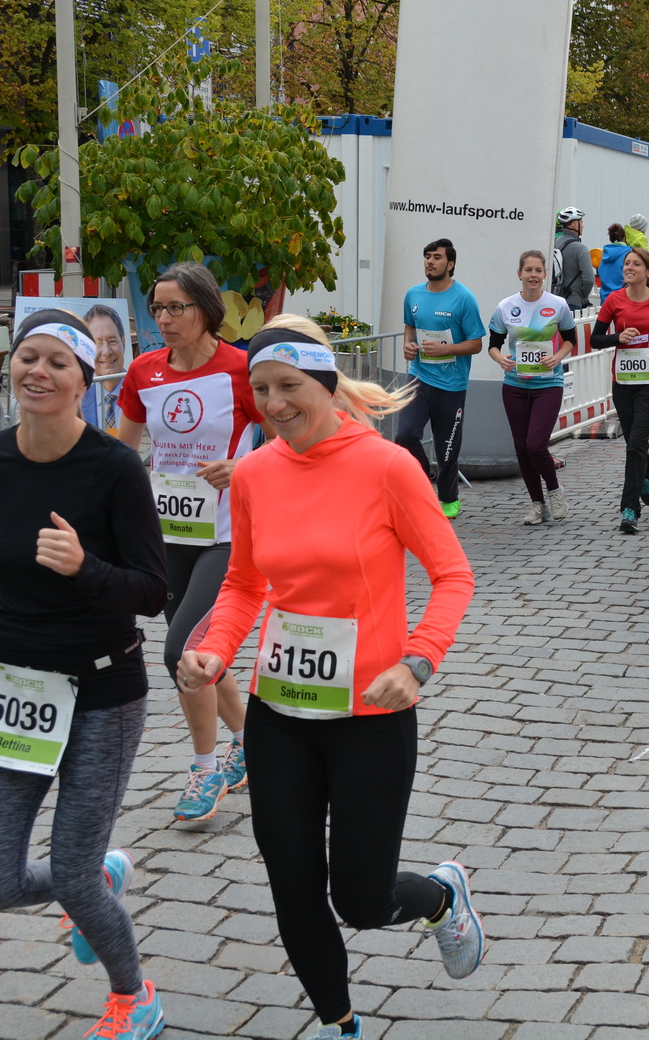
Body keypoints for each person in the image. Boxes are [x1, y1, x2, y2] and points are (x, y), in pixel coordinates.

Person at [178, 317, 485, 1040]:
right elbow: (245, 584)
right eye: (260, 390)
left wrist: (418, 662)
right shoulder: (254, 473)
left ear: (324, 384)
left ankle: (440, 895)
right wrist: (215, 649)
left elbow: (452, 575)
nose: (275, 403)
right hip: (279, 710)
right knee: (292, 884)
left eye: (290, 387)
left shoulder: (385, 467)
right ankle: (337, 1021)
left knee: (361, 897)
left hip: (371, 716)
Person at [0, 308, 170, 1040]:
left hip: (101, 692)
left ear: (86, 381)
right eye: (28, 357)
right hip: (15, 690)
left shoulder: (114, 469)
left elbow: (154, 592)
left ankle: (133, 994)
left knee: (73, 870)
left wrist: (86, 568)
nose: (38, 372)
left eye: (58, 362)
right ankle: (99, 881)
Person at [115, 263, 259, 824]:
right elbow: (121, 448)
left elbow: (291, 439)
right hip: (165, 535)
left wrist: (243, 467)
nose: (165, 319)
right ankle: (248, 742)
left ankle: (204, 770)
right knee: (205, 650)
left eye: (177, 308)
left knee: (183, 652)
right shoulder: (143, 371)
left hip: (227, 536)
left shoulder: (242, 369)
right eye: (157, 308)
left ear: (207, 311)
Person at [396, 238, 486, 519]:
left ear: (450, 264)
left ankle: (448, 496)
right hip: (419, 378)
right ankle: (423, 480)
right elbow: (410, 329)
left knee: (446, 448)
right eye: (427, 256)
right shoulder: (413, 295)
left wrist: (446, 349)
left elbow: (476, 344)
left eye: (436, 257)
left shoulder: (464, 298)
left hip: (451, 385)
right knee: (404, 435)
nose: (430, 261)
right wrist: (408, 347)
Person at [488, 250, 578, 524]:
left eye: (539, 270)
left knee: (535, 445)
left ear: (545, 275)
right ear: (520, 274)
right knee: (521, 449)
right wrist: (500, 359)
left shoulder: (558, 304)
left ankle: (554, 490)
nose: (534, 275)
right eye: (529, 270)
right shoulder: (505, 306)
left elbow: (570, 340)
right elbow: (493, 344)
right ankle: (538, 505)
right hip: (514, 385)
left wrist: (558, 357)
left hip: (548, 384)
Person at [592, 246, 649, 532]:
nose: (629, 268)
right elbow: (595, 340)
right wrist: (617, 337)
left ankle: (629, 509)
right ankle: (645, 477)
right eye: (626, 264)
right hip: (624, 382)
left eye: (636, 264)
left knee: (637, 441)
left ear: (648, 271)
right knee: (633, 444)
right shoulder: (614, 300)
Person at [80, 305, 127, 431]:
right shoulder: (76, 403)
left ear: (123, 343)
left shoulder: (145, 395)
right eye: (97, 343)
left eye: (112, 341)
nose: (106, 352)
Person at [552, 206, 593, 311]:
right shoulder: (580, 248)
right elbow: (589, 279)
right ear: (575, 225)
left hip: (554, 299)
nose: (583, 226)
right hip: (572, 302)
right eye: (582, 222)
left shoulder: (553, 243)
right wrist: (581, 295)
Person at [597, 223, 630, 303]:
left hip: (605, 300)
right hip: (623, 300)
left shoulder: (604, 254)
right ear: (624, 236)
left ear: (610, 239)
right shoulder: (630, 253)